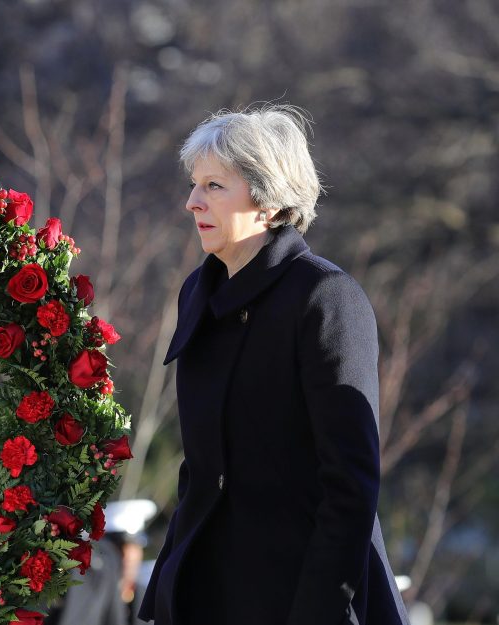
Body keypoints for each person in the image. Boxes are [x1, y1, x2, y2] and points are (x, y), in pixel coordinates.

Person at [137, 105, 410, 625]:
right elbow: (200, 469)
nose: (192, 201)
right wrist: (166, 590)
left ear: (266, 200)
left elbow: (351, 486)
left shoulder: (326, 298)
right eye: (195, 184)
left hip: (304, 597)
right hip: (205, 593)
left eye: (214, 186)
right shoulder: (198, 290)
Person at [45, 499, 157, 625]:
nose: (129, 556)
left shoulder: (140, 597)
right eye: (120, 548)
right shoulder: (88, 577)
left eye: (135, 547)